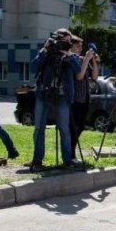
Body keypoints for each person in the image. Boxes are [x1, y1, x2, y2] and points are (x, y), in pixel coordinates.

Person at [28, 29, 81, 169]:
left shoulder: (70, 55)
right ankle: (37, 160)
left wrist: (68, 54)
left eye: (69, 42)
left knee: (64, 129)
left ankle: (67, 160)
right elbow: (33, 67)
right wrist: (45, 50)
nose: (67, 44)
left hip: (63, 96)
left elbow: (78, 70)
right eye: (64, 42)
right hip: (43, 94)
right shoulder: (47, 52)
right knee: (39, 128)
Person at [69, 37, 99, 162]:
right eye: (78, 46)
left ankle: (72, 152)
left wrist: (93, 60)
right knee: (74, 127)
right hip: (75, 99)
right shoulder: (71, 60)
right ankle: (71, 154)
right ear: (71, 47)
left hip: (85, 98)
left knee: (81, 126)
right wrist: (87, 59)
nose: (81, 49)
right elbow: (79, 77)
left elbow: (95, 76)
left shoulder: (81, 59)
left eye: (81, 46)